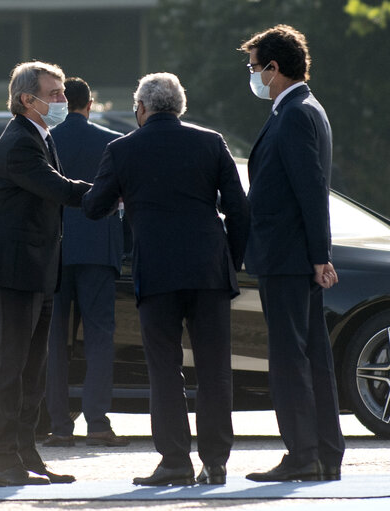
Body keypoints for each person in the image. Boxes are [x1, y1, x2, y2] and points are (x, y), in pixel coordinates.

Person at [83, 72, 250, 486]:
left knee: (164, 367)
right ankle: (216, 462)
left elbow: (94, 207)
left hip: (156, 272)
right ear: (180, 107)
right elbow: (240, 211)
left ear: (141, 108)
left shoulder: (122, 149)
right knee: (214, 369)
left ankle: (175, 461)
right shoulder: (211, 142)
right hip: (209, 270)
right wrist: (230, 259)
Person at [0, 61, 91, 488]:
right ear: (28, 99)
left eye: (61, 93)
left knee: (31, 371)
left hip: (37, 273)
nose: (62, 100)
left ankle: (25, 455)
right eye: (55, 94)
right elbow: (58, 188)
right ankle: (3, 463)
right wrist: (108, 194)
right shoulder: (19, 143)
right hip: (10, 272)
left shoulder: (39, 136)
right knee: (9, 370)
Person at [239, 24, 346, 482]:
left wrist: (319, 254)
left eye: (254, 68)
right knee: (312, 357)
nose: (253, 76)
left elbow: (309, 191)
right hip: (291, 255)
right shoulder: (304, 108)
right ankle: (322, 454)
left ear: (274, 68)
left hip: (286, 257)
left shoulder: (296, 113)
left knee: (290, 359)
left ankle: (303, 454)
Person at [42, 77, 128, 448]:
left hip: (55, 252)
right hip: (98, 248)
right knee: (99, 339)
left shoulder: (45, 141)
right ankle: (97, 422)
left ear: (61, 102)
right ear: (90, 105)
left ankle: (59, 426)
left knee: (55, 342)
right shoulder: (109, 142)